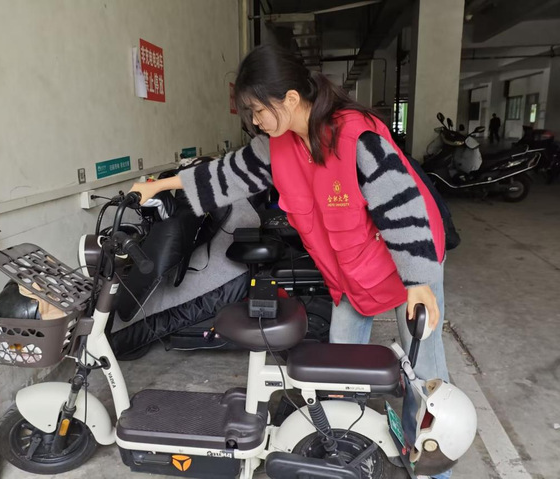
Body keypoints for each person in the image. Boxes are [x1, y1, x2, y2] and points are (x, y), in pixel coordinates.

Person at [130, 44, 451, 479]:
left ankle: (435, 470)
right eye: (251, 113)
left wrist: (418, 281)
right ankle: (341, 444)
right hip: (351, 274)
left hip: (407, 262)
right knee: (338, 364)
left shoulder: (357, 139)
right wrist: (160, 186)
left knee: (424, 374)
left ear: (292, 99)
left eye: (259, 110)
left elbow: (403, 208)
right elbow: (225, 175)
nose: (256, 121)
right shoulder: (276, 146)